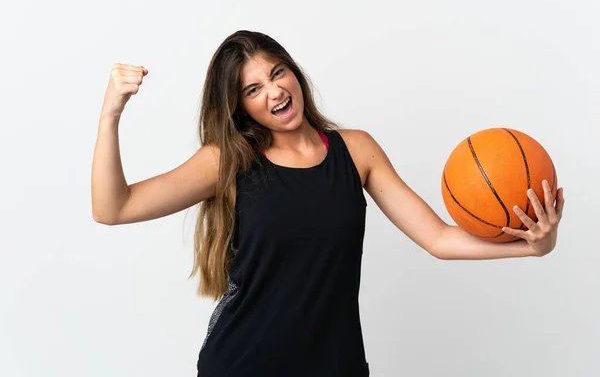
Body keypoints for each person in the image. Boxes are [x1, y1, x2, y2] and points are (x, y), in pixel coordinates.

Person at [91, 30, 565, 376]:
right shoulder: (227, 161)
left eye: (277, 72)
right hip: (244, 365)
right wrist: (111, 114)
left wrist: (531, 246)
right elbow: (114, 207)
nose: (274, 91)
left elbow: (438, 237)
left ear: (294, 71)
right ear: (240, 107)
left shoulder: (356, 151)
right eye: (253, 89)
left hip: (336, 366)